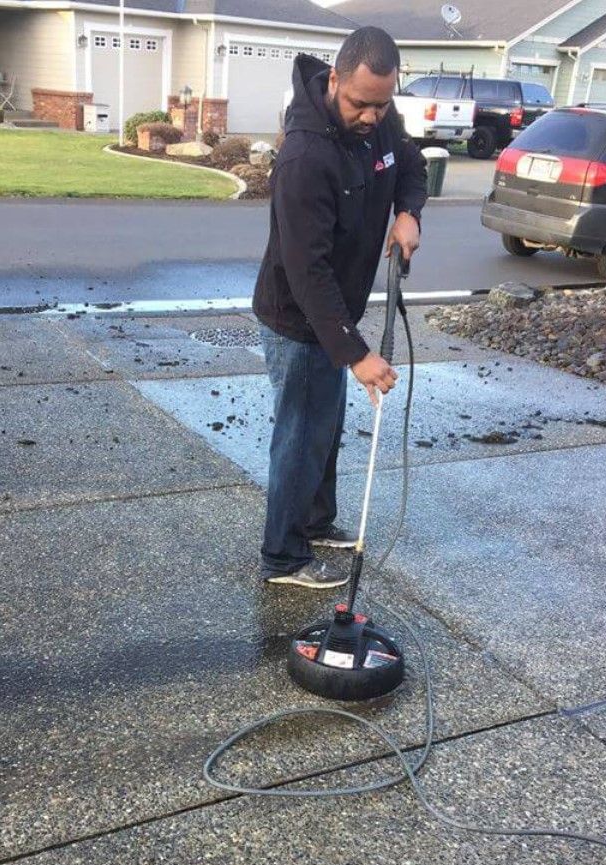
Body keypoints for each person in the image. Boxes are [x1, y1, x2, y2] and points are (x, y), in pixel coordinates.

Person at [253, 26, 427, 589]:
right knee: (302, 433)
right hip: (298, 315)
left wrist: (408, 211)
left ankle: (315, 521)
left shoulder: (380, 119)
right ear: (335, 80)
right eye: (360, 103)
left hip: (335, 312)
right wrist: (356, 354)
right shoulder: (306, 156)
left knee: (324, 426)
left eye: (382, 103)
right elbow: (308, 271)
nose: (372, 116)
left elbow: (412, 164)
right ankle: (283, 556)